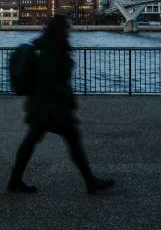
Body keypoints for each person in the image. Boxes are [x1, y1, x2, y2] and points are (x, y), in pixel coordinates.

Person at [8, 14, 115, 194]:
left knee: (33, 141)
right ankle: (90, 181)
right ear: (60, 29)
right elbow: (51, 79)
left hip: (43, 106)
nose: (69, 32)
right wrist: (56, 103)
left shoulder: (44, 44)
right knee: (71, 141)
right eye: (67, 28)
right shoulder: (53, 48)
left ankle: (15, 179)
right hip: (52, 107)